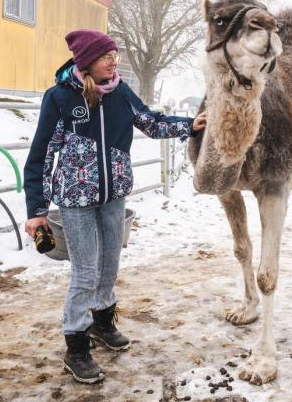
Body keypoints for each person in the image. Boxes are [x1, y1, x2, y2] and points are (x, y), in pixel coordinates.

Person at [23, 29, 206, 383]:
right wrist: (37, 210)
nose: (114, 61)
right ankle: (76, 345)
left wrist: (190, 125)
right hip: (75, 199)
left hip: (113, 196)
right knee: (85, 271)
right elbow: (41, 154)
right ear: (87, 61)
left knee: (110, 263)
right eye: (106, 57)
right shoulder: (60, 97)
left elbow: (150, 121)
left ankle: (102, 323)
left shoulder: (119, 91)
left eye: (115, 55)